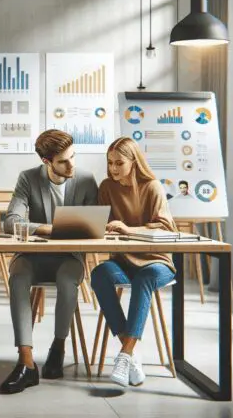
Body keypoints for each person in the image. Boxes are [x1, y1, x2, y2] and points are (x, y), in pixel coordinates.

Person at [0, 130, 99, 394]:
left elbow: (94, 226)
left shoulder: (87, 180)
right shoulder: (28, 178)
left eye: (73, 157)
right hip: (33, 256)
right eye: (64, 161)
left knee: (67, 282)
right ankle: (26, 362)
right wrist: (48, 229)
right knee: (18, 278)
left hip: (70, 257)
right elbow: (10, 222)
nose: (71, 164)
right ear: (47, 161)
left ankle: (58, 345)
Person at [90, 136, 177, 388]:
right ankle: (130, 352)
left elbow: (165, 227)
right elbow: (100, 222)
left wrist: (127, 229)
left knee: (145, 278)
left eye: (119, 163)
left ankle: (125, 355)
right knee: (100, 274)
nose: (113, 168)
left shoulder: (152, 187)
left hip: (157, 261)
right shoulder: (107, 187)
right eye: (110, 163)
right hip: (123, 259)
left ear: (134, 162)